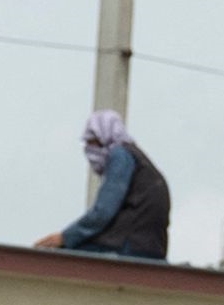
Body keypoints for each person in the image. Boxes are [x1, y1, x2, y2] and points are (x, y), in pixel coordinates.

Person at [34, 109, 170, 260]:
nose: (88, 149)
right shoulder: (138, 160)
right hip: (150, 248)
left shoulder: (120, 156)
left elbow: (103, 212)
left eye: (92, 142)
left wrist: (65, 238)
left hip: (128, 246)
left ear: (104, 137)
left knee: (61, 257)